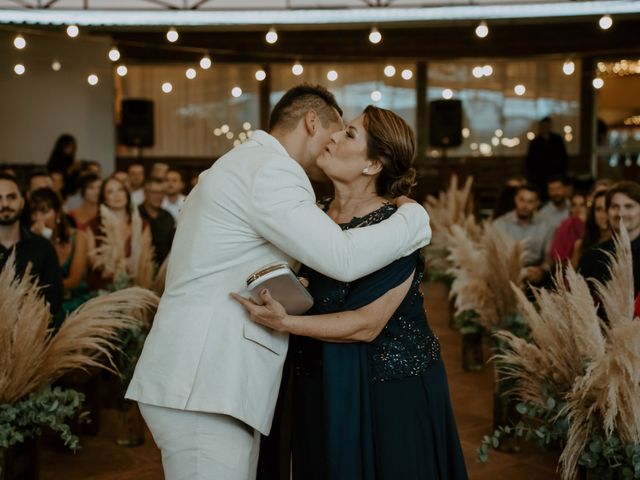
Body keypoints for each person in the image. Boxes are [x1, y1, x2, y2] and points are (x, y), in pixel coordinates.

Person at [125, 84, 431, 480]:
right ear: (310, 121)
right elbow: (343, 257)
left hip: (207, 380)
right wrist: (414, 221)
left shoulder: (240, 164)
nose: (336, 141)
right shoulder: (272, 170)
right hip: (206, 382)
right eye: (337, 130)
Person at [233, 105, 467, 480]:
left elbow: (367, 324)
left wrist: (286, 321)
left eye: (350, 134)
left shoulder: (396, 226)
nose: (333, 136)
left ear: (373, 164)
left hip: (390, 391)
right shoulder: (311, 213)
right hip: (316, 383)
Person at [0, 174, 63, 317]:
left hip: (30, 331)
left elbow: (53, 299)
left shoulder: (43, 247)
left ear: (22, 201)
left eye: (11, 197)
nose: (5, 204)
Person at [29, 187, 92, 317]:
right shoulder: (30, 241)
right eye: (34, 212)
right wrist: (39, 243)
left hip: (76, 301)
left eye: (44, 212)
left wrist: (47, 242)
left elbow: (74, 280)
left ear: (57, 214)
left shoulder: (79, 237)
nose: (37, 218)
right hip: (44, 304)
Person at [85, 176, 148, 292]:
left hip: (134, 286)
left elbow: (144, 257)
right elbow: (92, 258)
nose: (117, 195)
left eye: (120, 190)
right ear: (104, 199)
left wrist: (119, 265)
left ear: (127, 194)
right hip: (103, 288)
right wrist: (105, 265)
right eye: (110, 192)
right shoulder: (93, 225)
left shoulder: (141, 224)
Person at [579, 180, 640, 297]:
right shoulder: (592, 256)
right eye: (614, 207)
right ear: (607, 212)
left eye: (629, 206)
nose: (620, 213)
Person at [493, 184, 555, 286]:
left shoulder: (548, 224)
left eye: (530, 201)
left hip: (535, 272)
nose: (525, 205)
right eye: (522, 200)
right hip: (507, 274)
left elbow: (549, 254)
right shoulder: (500, 224)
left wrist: (542, 270)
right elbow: (495, 254)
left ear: (537, 203)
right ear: (515, 199)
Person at [525, 117, 568, 198]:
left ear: (550, 126)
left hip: (555, 174)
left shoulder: (557, 140)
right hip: (540, 178)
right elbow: (530, 161)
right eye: (543, 126)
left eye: (547, 126)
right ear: (540, 127)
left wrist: (562, 175)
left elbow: (563, 158)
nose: (545, 128)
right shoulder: (535, 142)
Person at [138, 177, 175, 267]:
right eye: (154, 192)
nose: (159, 196)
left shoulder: (168, 217)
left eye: (162, 193)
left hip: (165, 268)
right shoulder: (136, 215)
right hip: (141, 266)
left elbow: (173, 246)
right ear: (145, 193)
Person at [549, 191, 587, 265]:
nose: (577, 209)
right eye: (574, 205)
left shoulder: (593, 225)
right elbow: (557, 256)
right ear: (570, 208)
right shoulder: (565, 225)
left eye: (582, 205)